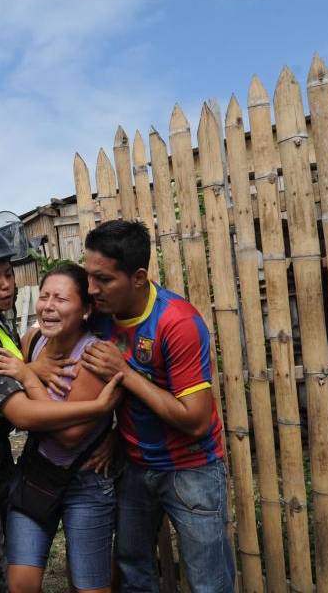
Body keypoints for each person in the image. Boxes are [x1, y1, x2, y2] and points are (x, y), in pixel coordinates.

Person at [0, 215, 122, 593]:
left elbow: (19, 371)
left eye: (8, 274)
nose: (7, 285)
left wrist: (30, 369)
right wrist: (97, 409)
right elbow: (22, 413)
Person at [79, 220, 235, 593]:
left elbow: (196, 420)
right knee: (134, 572)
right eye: (88, 276)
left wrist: (125, 373)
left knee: (208, 584)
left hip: (191, 468)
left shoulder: (177, 322)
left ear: (138, 278)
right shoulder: (99, 314)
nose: (91, 289)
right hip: (134, 465)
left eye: (103, 279)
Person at [0, 262, 116, 593]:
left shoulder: (93, 356)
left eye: (61, 298)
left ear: (86, 310)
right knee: (21, 584)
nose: (48, 306)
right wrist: (32, 367)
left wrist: (28, 376)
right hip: (37, 473)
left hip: (85, 482)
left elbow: (69, 436)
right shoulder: (32, 341)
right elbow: (11, 387)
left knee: (89, 587)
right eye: (44, 296)